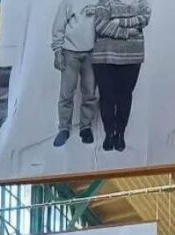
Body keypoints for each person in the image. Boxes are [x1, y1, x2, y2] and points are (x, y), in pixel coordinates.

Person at [92, 0, 151, 152]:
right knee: (106, 96)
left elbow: (145, 18)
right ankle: (109, 134)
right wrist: (128, 32)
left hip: (132, 57)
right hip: (104, 57)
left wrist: (118, 21)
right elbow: (100, 25)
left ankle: (120, 134)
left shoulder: (141, 2)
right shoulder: (104, 2)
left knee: (125, 97)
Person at [51, 0, 98, 147]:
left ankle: (86, 127)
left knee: (90, 93)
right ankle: (64, 129)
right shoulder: (68, 1)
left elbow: (107, 21)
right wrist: (58, 52)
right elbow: (58, 26)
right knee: (66, 93)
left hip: (92, 53)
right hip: (69, 52)